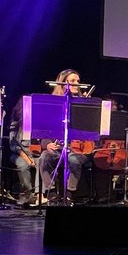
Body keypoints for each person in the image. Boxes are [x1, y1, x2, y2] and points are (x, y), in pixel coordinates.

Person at [37, 69, 95, 204]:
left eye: (78, 81)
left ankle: (69, 193)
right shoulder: (52, 104)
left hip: (77, 149)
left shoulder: (84, 102)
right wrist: (47, 144)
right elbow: (45, 130)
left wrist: (90, 109)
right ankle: (51, 193)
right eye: (73, 81)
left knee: (73, 160)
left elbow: (92, 130)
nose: (77, 84)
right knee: (44, 157)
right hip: (59, 147)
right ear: (63, 83)